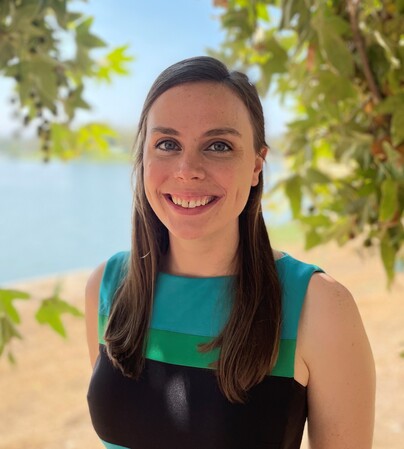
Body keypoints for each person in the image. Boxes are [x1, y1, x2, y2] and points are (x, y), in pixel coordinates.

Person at [85, 56, 375, 449]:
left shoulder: (319, 306)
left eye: (218, 145)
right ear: (143, 158)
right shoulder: (107, 286)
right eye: (167, 144)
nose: (187, 169)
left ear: (256, 165)